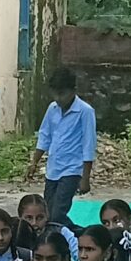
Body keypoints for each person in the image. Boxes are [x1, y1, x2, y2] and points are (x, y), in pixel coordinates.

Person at [29, 66, 97, 226]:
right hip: (53, 169)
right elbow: (45, 136)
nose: (58, 98)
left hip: (72, 170)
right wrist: (34, 162)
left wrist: (85, 178)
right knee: (47, 213)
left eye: (62, 93)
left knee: (57, 213)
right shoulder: (52, 109)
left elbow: (88, 145)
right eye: (55, 93)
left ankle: (77, 236)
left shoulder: (85, 111)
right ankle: (75, 232)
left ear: (73, 91)